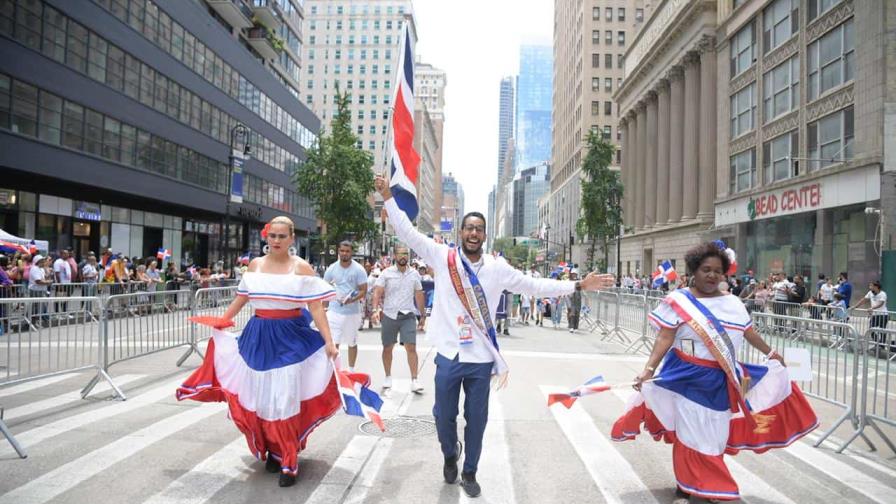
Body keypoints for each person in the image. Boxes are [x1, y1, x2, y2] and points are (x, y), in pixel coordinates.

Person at [375, 174, 614, 498]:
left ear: (485, 235)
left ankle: (470, 471)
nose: (473, 233)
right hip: (448, 353)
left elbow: (533, 285)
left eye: (479, 229)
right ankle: (450, 453)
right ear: (461, 232)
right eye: (468, 228)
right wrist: (388, 195)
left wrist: (577, 285)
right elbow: (406, 230)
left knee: (477, 419)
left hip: (480, 359)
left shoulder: (497, 267)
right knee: (443, 416)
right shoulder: (441, 257)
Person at [612, 242, 818, 502]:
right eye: (705, 269)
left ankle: (688, 482)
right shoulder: (678, 301)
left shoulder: (733, 303)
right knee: (693, 432)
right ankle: (712, 487)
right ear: (694, 272)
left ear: (724, 274)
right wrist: (648, 369)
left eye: (717, 271)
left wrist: (771, 353)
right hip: (687, 376)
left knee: (715, 435)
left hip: (722, 380)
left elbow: (749, 332)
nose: (712, 275)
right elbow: (664, 338)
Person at [176, 216, 348, 488]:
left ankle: (289, 460)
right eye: (272, 236)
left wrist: (329, 341)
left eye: (282, 236)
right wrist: (222, 322)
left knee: (285, 398)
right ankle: (273, 450)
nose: (276, 241)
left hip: (291, 338)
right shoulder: (255, 266)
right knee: (262, 398)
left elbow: (316, 308)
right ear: (267, 238)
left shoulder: (301, 268)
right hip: (258, 337)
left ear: (292, 238)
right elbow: (242, 298)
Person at [372, 246, 426, 393]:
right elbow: (377, 292)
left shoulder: (414, 274)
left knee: (411, 347)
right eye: (400, 254)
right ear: (395, 256)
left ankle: (414, 380)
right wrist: (375, 309)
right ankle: (388, 376)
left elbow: (419, 294)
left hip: (408, 315)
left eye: (405, 254)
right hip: (390, 315)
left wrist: (422, 315)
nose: (403, 256)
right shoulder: (386, 273)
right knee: (387, 347)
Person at [324, 241, 368, 372]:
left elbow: (363, 290)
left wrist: (351, 299)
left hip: (352, 312)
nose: (344, 253)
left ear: (351, 253)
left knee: (352, 342)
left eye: (347, 251)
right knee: (334, 341)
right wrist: (323, 309)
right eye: (342, 251)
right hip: (334, 311)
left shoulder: (359, 270)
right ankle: (333, 371)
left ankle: (351, 369)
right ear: (338, 251)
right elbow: (325, 290)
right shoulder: (331, 269)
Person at [851, 281, 890, 350]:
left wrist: (872, 308)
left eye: (871, 286)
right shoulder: (870, 293)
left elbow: (881, 303)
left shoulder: (883, 294)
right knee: (871, 330)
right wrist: (855, 306)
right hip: (874, 315)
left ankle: (882, 346)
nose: (870, 287)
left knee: (882, 331)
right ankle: (878, 343)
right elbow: (864, 300)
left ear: (876, 287)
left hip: (883, 315)